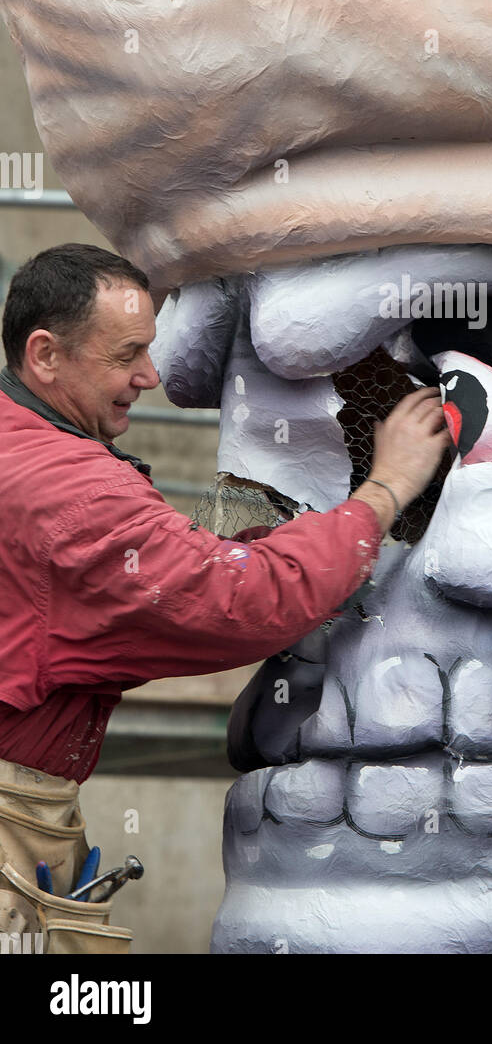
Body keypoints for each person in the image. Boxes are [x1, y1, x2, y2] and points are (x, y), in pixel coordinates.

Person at [0, 243, 448, 928]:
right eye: (125, 356)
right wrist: (385, 491)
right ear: (45, 355)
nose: (149, 376)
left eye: (149, 350)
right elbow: (235, 600)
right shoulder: (70, 493)